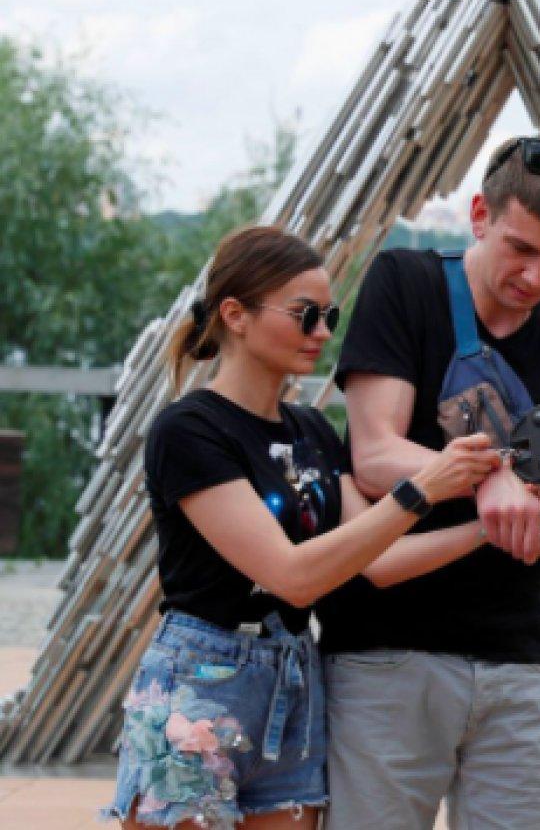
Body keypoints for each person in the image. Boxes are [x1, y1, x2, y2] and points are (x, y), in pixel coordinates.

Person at [102, 226, 504, 830]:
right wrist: (423, 488)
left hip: (293, 677)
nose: (322, 332)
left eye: (329, 315)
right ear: (235, 315)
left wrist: (489, 529)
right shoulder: (189, 431)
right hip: (201, 680)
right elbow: (292, 576)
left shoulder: (311, 429)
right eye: (305, 315)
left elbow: (375, 559)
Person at [318, 130, 540, 829]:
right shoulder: (407, 283)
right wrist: (501, 482)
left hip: (520, 656)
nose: (538, 278)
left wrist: (516, 498)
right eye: (521, 248)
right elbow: (374, 453)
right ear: (480, 216)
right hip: (385, 654)